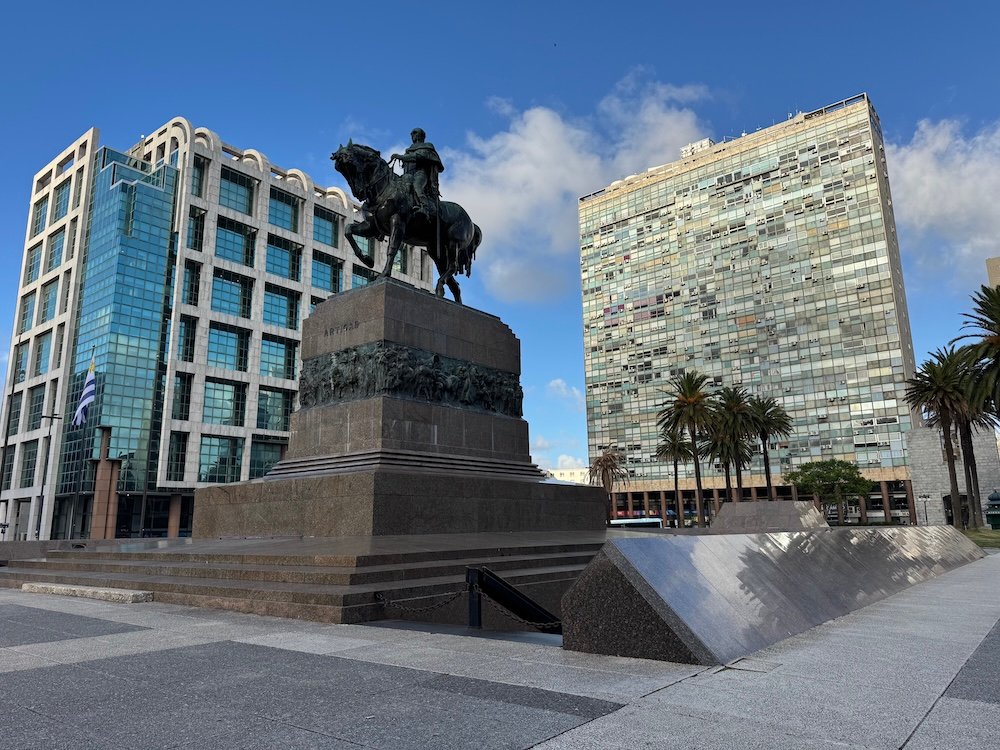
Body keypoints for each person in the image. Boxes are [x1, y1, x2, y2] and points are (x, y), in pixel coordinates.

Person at [392, 128, 444, 222]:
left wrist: (400, 156)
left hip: (420, 173)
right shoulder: (409, 149)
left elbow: (417, 156)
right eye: (412, 134)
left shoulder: (427, 146)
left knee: (417, 187)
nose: (413, 136)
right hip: (408, 174)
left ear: (420, 135)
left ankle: (425, 208)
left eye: (415, 134)